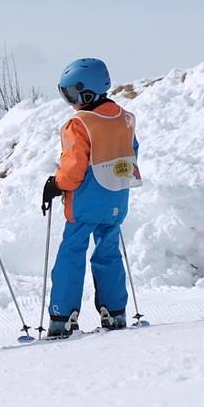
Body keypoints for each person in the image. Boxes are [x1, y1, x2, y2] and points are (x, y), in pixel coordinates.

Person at [41, 58, 141, 337]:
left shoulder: (79, 123)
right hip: (116, 198)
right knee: (108, 253)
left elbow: (74, 167)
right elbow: (131, 153)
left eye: (72, 94)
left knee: (71, 254)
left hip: (85, 201)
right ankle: (115, 312)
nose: (70, 102)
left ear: (87, 92)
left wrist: (56, 184)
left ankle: (64, 315)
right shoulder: (125, 118)